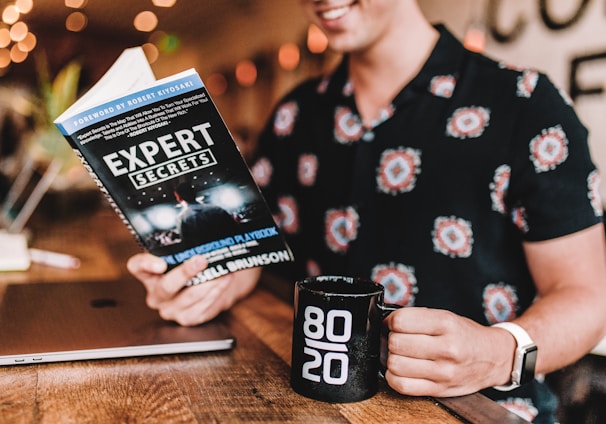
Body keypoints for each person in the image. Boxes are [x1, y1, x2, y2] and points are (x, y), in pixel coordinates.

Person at [127, 1, 606, 421]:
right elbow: (264, 249)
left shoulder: (525, 104)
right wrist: (216, 280)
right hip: (318, 407)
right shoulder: (295, 115)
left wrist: (499, 353)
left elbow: (587, 297)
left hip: (481, 411)